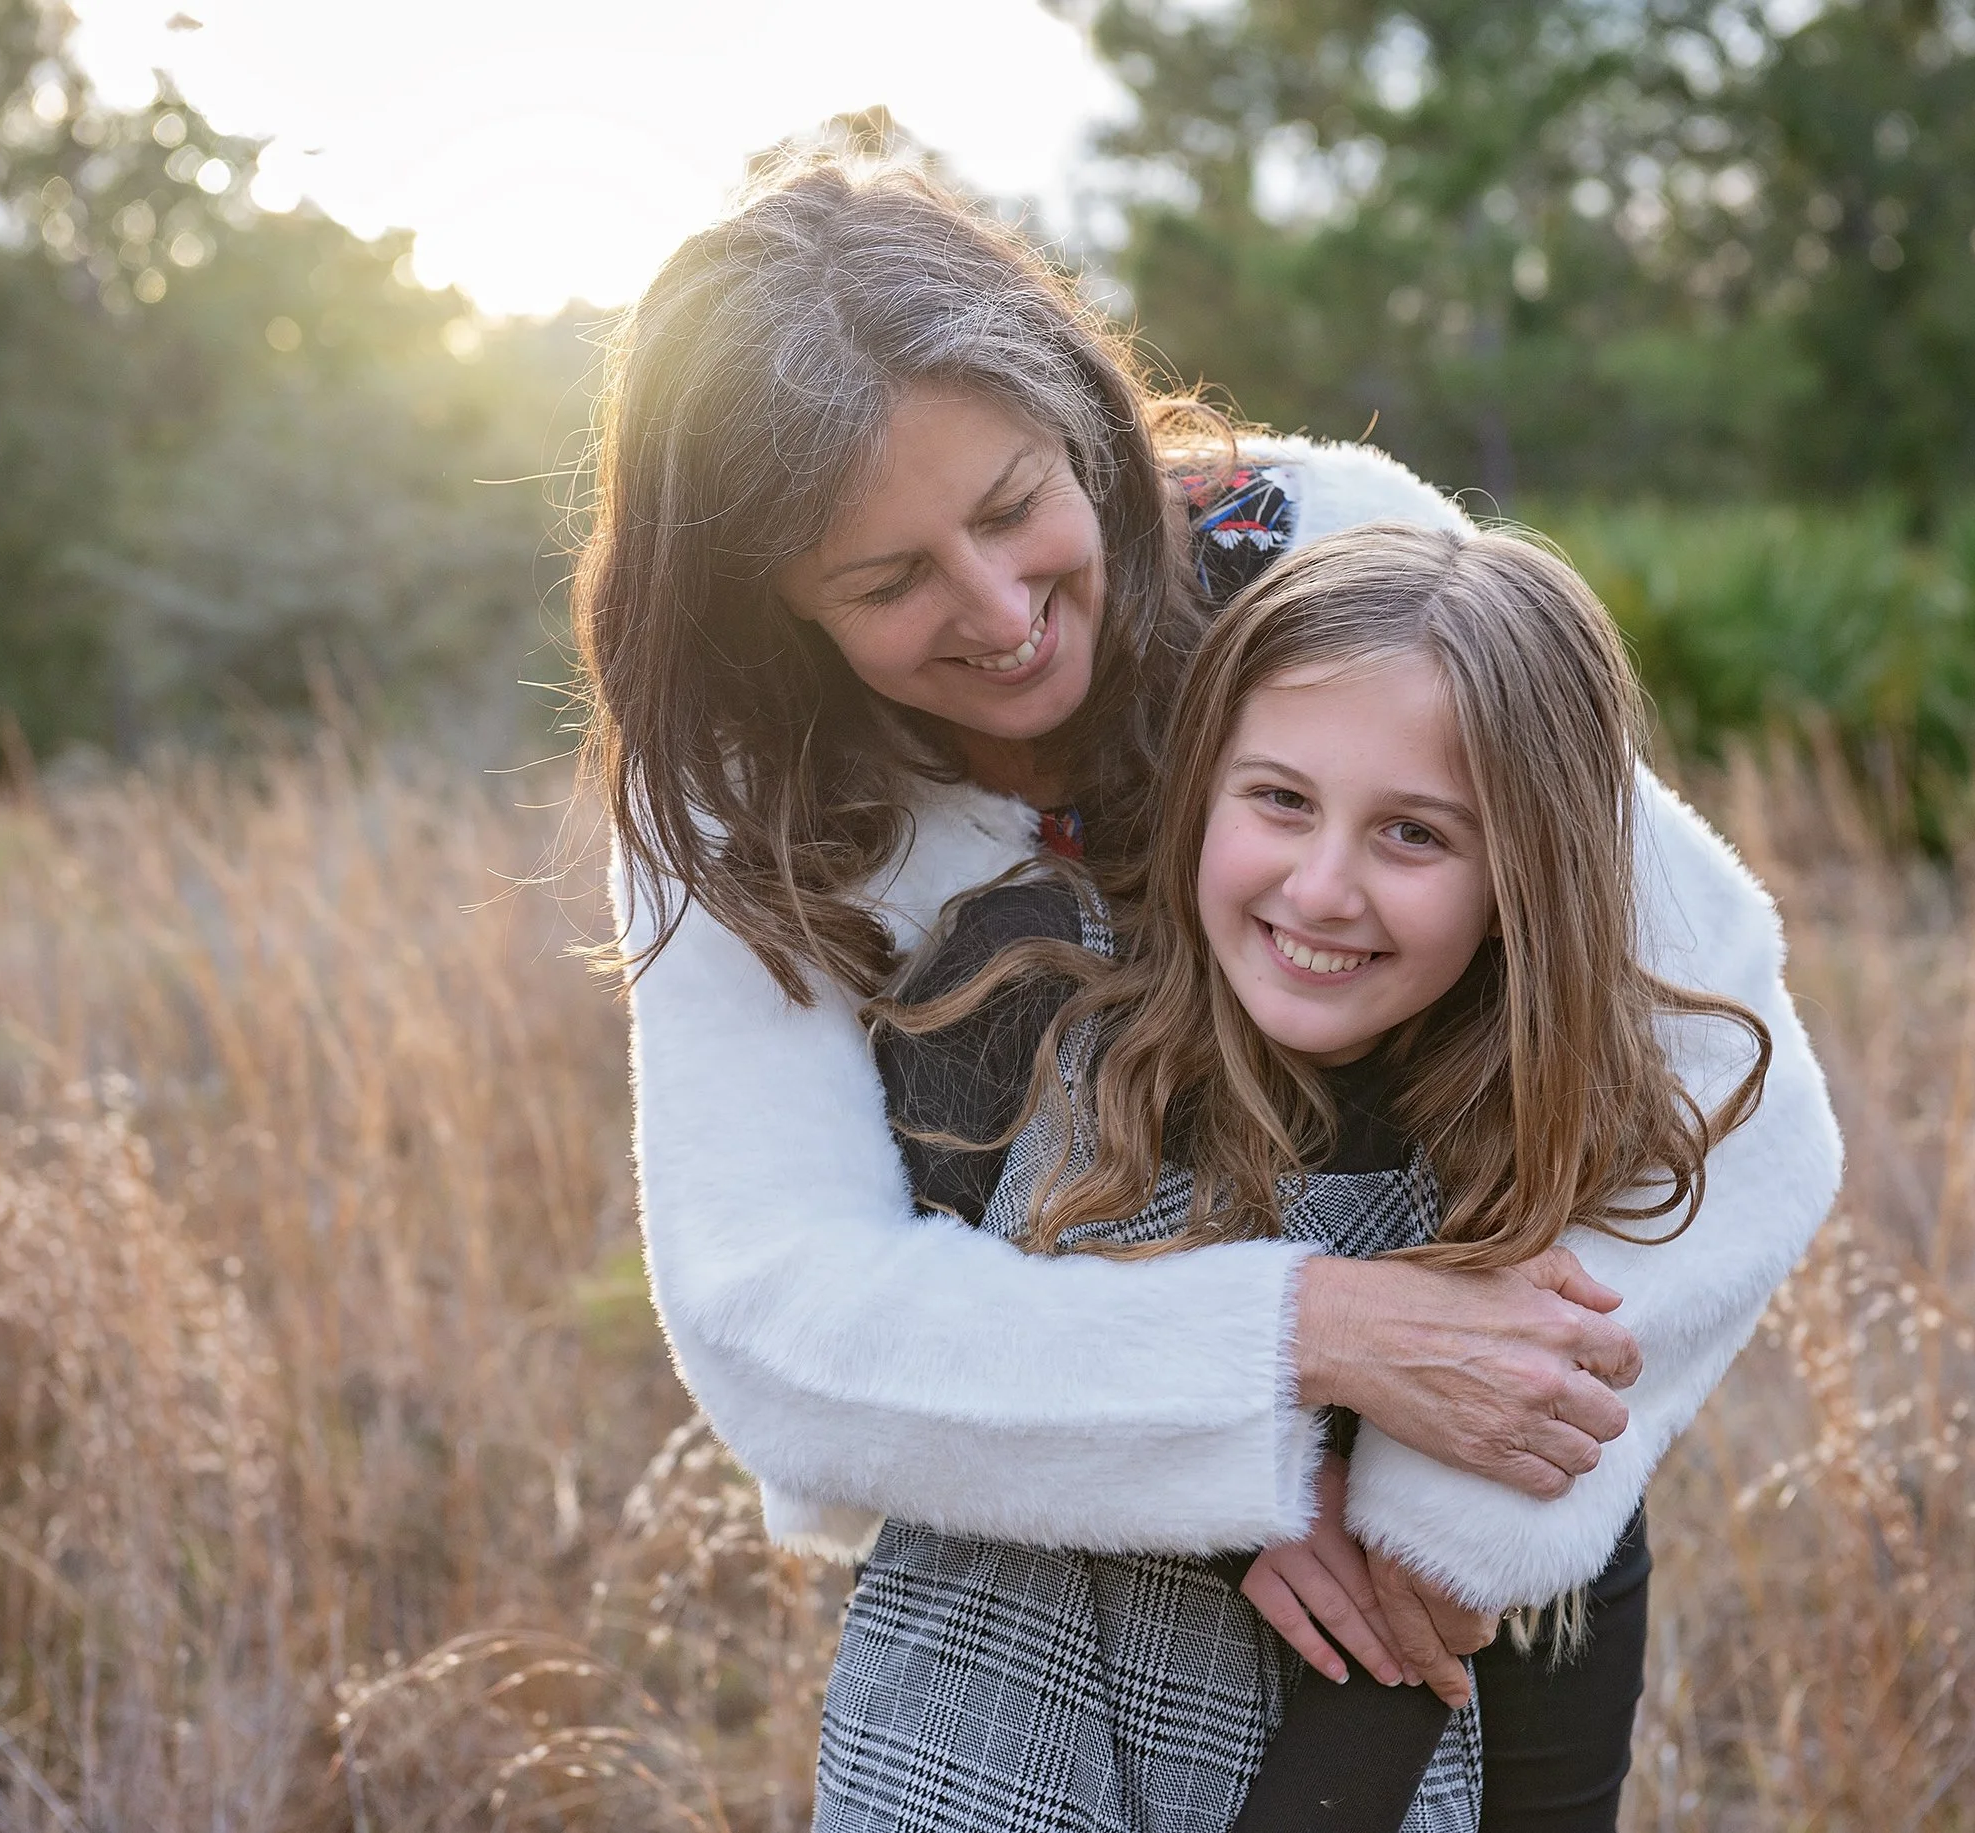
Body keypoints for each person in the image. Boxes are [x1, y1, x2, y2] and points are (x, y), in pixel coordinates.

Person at [580, 156, 1843, 1827]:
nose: (1002, 612)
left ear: (1085, 425)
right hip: (1033, 1610)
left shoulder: (1338, 556)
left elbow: (1725, 1075)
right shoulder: (733, 802)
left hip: (1457, 1611)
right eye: (889, 586)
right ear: (770, 607)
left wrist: (1434, 1521)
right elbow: (779, 1321)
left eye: (1018, 503)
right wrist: (1305, 1349)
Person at [816, 522, 1774, 1832]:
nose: (1322, 890)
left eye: (1415, 836)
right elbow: (863, 1379)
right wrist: (1231, 1469)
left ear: (1523, 878)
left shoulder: (1528, 1135)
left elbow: (1559, 1577)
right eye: (1279, 800)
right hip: (979, 1751)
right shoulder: (1020, 1000)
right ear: (1203, 783)